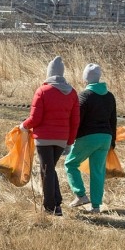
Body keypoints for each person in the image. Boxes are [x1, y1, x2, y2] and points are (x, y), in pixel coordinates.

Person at [20, 56, 80, 216]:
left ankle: (50, 207)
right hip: (61, 138)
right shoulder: (73, 93)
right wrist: (70, 141)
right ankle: (57, 202)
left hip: (44, 138)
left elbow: (35, 118)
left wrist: (23, 126)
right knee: (50, 169)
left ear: (49, 73)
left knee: (46, 170)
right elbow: (75, 121)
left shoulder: (42, 91)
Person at [64, 64, 116, 214]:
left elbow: (77, 120)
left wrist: (71, 138)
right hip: (106, 137)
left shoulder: (84, 96)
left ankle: (80, 194)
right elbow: (113, 120)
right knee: (98, 171)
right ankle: (96, 207)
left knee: (71, 164)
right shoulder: (109, 96)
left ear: (85, 78)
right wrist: (112, 142)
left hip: (88, 136)